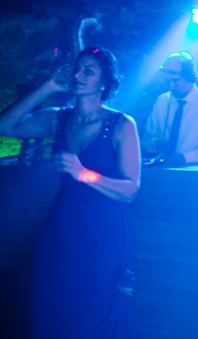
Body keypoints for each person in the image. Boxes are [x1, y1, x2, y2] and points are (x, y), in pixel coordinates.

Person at [0, 46, 140, 338]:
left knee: (94, 303)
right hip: (63, 224)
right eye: (77, 68)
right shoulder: (58, 118)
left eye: (88, 70)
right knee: (51, 296)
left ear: (104, 82)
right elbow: (6, 125)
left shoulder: (122, 124)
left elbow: (130, 190)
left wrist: (84, 174)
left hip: (104, 228)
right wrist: (49, 86)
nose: (78, 74)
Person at [143, 51, 198, 166]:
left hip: (194, 171)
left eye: (176, 81)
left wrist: (185, 157)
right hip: (163, 168)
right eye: (167, 81)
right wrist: (154, 143)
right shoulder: (162, 100)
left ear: (190, 77)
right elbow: (149, 135)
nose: (170, 86)